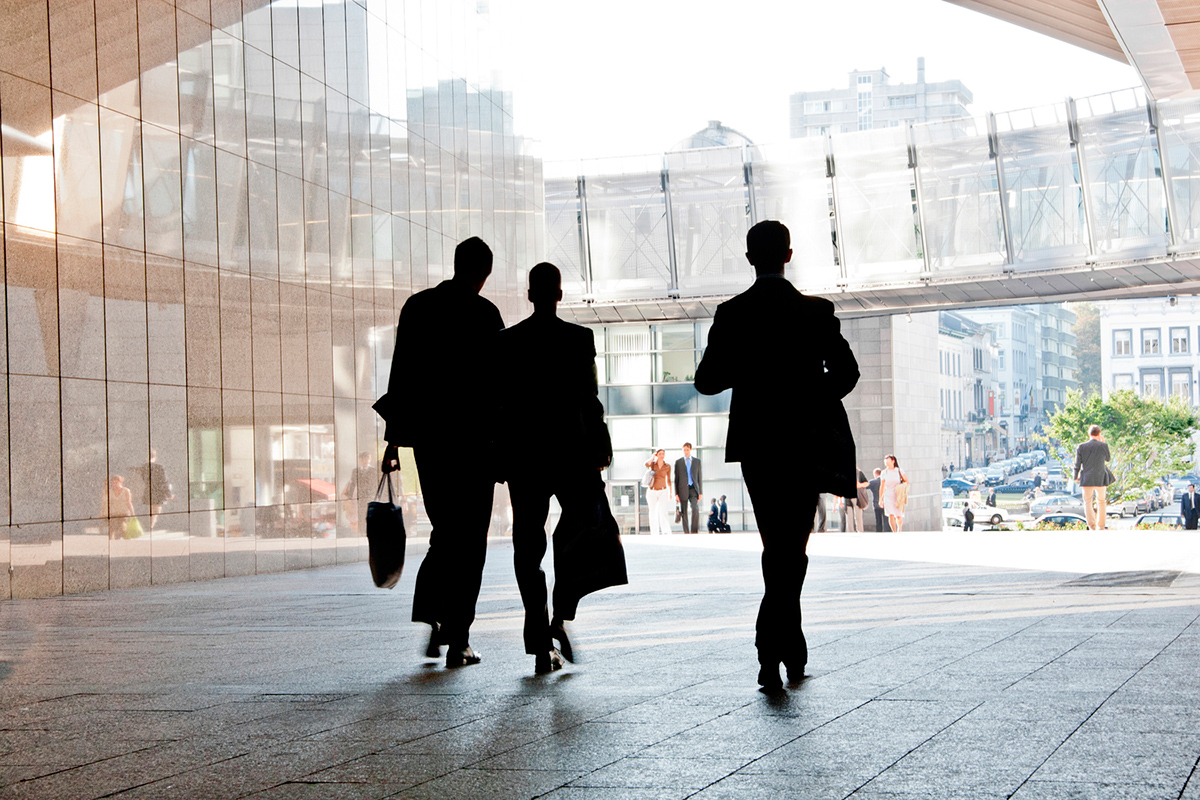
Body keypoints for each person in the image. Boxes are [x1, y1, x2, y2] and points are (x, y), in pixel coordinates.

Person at [694, 220, 859, 691]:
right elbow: (847, 372)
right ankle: (785, 646)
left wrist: (749, 370)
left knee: (776, 543)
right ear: (789, 255)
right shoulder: (815, 311)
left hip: (758, 443)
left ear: (750, 258)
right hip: (806, 440)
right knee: (794, 545)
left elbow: (707, 380)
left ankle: (773, 648)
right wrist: (811, 394)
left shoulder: (732, 313)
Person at [373, 236, 505, 669]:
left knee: (445, 531)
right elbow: (497, 390)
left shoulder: (417, 307)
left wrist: (393, 440)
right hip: (475, 445)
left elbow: (402, 377)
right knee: (471, 540)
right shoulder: (486, 316)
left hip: (430, 443)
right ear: (484, 274)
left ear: (455, 264)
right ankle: (459, 638)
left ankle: (431, 621)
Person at [496, 263, 625, 674]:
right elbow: (590, 398)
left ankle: (538, 639)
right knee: (580, 534)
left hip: (526, 457)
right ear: (560, 294)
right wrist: (601, 445)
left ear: (530, 294)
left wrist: (500, 452)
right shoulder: (579, 338)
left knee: (528, 545)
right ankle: (559, 617)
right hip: (572, 454)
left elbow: (500, 404)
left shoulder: (508, 341)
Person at [1074, 424, 1112, 531]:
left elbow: (1077, 464)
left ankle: (1092, 526)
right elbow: (1108, 459)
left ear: (1089, 433)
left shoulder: (1081, 447)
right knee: (1101, 502)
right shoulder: (1103, 446)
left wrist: (1075, 476)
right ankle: (1101, 526)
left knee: (1087, 502)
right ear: (1099, 434)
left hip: (1087, 478)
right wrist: (1103, 443)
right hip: (1101, 477)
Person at [342, 452, 380, 534]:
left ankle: (369, 531)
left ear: (370, 459)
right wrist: (350, 497)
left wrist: (372, 496)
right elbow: (352, 484)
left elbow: (374, 485)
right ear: (359, 460)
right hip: (358, 498)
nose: (365, 461)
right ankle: (362, 532)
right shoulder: (355, 471)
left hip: (368, 497)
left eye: (367, 459)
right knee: (359, 515)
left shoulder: (373, 470)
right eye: (363, 459)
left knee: (368, 514)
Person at [141, 449, 173, 531]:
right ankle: (150, 526)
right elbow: (164, 481)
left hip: (148, 492)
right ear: (154, 456)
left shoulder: (143, 468)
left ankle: (149, 525)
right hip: (158, 493)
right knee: (156, 511)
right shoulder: (159, 467)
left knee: (152, 510)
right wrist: (169, 494)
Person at [674, 443, 703, 533]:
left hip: (693, 489)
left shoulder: (697, 461)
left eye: (687, 450)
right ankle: (686, 532)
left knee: (695, 508)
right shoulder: (678, 462)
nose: (685, 452)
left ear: (690, 449)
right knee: (684, 512)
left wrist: (700, 492)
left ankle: (694, 531)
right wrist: (676, 494)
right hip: (682, 490)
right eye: (684, 450)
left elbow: (699, 477)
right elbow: (676, 479)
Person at [643, 449, 672, 535]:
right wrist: (652, 457)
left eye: (663, 454)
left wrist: (670, 492)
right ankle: (654, 533)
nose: (662, 455)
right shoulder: (652, 464)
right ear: (657, 455)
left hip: (663, 490)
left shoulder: (667, 466)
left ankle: (665, 531)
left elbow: (669, 480)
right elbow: (645, 464)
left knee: (663, 512)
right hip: (652, 491)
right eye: (660, 454)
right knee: (653, 512)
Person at [880, 455, 908, 533]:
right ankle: (894, 532)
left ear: (893, 461)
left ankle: (899, 529)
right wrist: (880, 499)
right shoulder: (884, 472)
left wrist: (902, 488)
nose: (886, 462)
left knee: (898, 515)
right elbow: (882, 486)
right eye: (885, 461)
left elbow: (907, 481)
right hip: (888, 495)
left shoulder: (899, 470)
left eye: (888, 460)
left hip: (898, 495)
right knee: (890, 514)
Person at [102, 475, 135, 540]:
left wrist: (132, 513)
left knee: (123, 528)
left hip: (123, 513)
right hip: (113, 513)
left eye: (116, 482)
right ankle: (112, 543)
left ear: (120, 482)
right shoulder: (109, 491)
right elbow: (106, 503)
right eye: (113, 483)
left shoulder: (126, 491)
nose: (114, 484)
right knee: (112, 529)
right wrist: (103, 513)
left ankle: (128, 541)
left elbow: (129, 502)